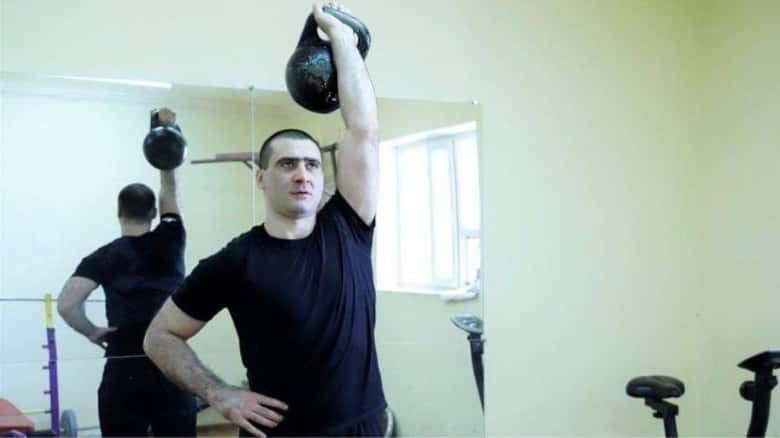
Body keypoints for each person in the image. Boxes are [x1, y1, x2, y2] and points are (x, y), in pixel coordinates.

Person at [143, 2, 386, 436]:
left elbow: (362, 130)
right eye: (287, 164)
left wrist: (342, 40)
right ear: (261, 178)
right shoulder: (237, 261)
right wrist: (218, 393)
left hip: (363, 427)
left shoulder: (347, 226)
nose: (302, 174)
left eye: (312, 165)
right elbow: (159, 336)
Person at [57, 108, 196, 437]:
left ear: (118, 211)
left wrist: (92, 331)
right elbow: (170, 192)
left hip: (124, 365)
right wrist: (169, 139)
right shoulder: (170, 238)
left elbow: (66, 304)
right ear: (153, 212)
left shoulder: (101, 258)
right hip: (171, 362)